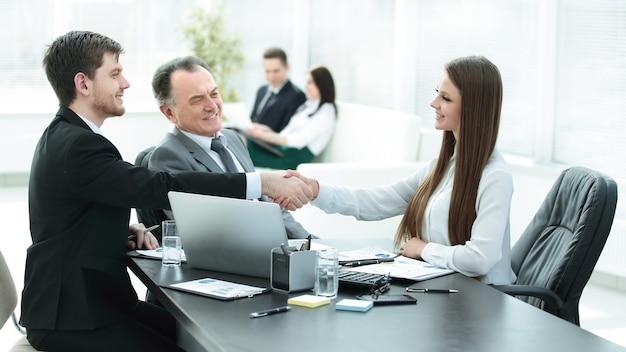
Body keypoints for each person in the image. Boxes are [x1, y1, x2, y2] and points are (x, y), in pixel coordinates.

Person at [22, 30, 312, 352]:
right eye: (115, 74)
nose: (126, 84)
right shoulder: (80, 145)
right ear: (84, 84)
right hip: (73, 317)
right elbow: (162, 185)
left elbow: (71, 216)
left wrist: (120, 230)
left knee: (197, 339)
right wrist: (260, 182)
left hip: (97, 305)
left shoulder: (68, 135)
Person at [288, 56, 516, 286]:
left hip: (483, 300)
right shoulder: (442, 167)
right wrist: (316, 190)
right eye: (437, 92)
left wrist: (425, 249)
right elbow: (377, 201)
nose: (434, 103)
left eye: (445, 98)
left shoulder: (495, 177)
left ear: (473, 108)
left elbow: (480, 259)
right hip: (445, 288)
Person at [145, 55, 313, 239]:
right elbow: (206, 231)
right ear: (169, 112)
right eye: (197, 100)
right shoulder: (167, 157)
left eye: (214, 93)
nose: (212, 106)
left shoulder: (233, 139)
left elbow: (271, 209)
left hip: (278, 251)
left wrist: (313, 246)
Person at [246, 65, 337, 169]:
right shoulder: (308, 106)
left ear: (322, 85)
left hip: (289, 159)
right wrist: (265, 130)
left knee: (243, 144)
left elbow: (299, 140)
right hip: (281, 150)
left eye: (310, 82)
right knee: (239, 138)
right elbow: (286, 133)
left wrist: (264, 136)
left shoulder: (326, 113)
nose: (306, 87)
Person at [250, 47, 306, 132]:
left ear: (287, 67)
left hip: (270, 143)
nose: (271, 76)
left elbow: (288, 132)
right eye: (267, 71)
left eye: (276, 71)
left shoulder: (297, 96)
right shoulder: (261, 91)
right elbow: (253, 119)